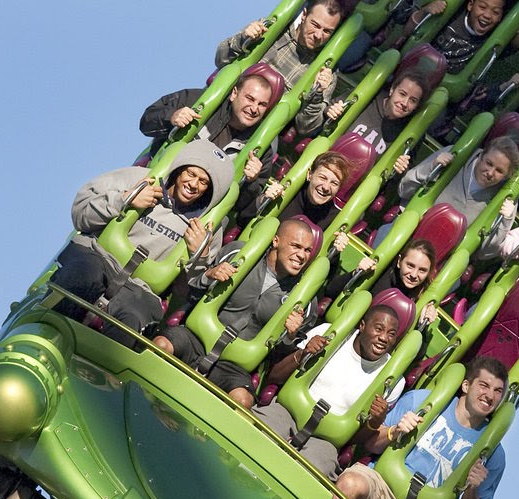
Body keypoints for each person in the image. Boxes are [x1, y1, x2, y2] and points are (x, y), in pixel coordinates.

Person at [330, 355, 509, 499]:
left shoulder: (492, 454)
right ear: (466, 385)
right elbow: (370, 443)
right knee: (350, 483)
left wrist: (472, 489)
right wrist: (393, 432)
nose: (489, 395)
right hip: (382, 485)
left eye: (497, 391)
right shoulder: (423, 401)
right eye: (484, 385)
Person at [50, 141, 233, 344]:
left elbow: (183, 291)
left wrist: (200, 255)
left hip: (141, 288)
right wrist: (124, 200)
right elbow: (80, 213)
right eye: (190, 174)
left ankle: (99, 369)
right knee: (81, 279)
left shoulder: (206, 227)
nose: (193, 184)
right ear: (179, 170)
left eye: (203, 182)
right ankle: (48, 332)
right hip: (98, 255)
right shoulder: (139, 178)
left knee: (131, 321)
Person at [152, 217, 319, 407]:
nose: (301, 255)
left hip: (234, 364)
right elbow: (191, 288)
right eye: (295, 246)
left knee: (243, 401)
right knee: (161, 344)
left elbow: (276, 359)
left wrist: (290, 335)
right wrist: (210, 274)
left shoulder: (304, 299)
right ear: (276, 241)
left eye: (307, 250)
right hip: (196, 338)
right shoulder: (240, 253)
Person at [252, 303, 407, 479]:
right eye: (378, 329)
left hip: (325, 440)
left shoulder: (393, 380)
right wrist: (304, 354)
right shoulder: (330, 332)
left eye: (391, 334)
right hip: (287, 411)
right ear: (362, 326)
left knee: (309, 474)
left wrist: (374, 421)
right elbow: (275, 376)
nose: (384, 338)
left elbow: (355, 439)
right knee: (257, 434)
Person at [138, 69, 279, 207]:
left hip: (197, 212)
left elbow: (242, 211)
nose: (254, 108)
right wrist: (171, 117)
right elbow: (146, 122)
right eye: (250, 98)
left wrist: (251, 182)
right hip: (156, 182)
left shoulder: (261, 149)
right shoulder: (198, 101)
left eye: (262, 104)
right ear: (234, 93)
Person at [216, 0, 347, 136]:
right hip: (226, 108)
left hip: (261, 132)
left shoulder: (325, 70)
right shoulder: (272, 30)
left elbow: (306, 128)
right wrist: (243, 39)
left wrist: (317, 93)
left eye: (327, 31)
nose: (318, 35)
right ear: (304, 15)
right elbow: (221, 59)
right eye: (315, 25)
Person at [396, 135, 519, 255]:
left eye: (499, 171)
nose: (490, 173)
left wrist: (505, 221)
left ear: (506, 175)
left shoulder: (505, 197)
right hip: (410, 229)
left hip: (446, 256)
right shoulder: (455, 156)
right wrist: (432, 167)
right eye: (489, 163)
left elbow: (485, 253)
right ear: (481, 155)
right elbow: (404, 190)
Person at [326, 72, 429, 172]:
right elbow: (323, 116)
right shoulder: (367, 98)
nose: (405, 103)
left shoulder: (410, 133)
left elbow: (398, 182)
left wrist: (400, 169)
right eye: (402, 94)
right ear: (392, 90)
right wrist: (332, 111)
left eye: (413, 100)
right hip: (327, 160)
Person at [238, 151, 352, 235]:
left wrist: (335, 251)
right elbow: (243, 219)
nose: (326, 187)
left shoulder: (334, 217)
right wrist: (264, 199)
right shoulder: (287, 193)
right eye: (322, 177)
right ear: (309, 175)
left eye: (334, 183)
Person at [324, 238, 439, 318]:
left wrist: (423, 324)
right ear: (399, 261)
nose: (414, 275)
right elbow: (330, 290)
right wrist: (356, 273)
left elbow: (419, 352)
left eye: (422, 270)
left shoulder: (422, 298)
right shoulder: (379, 273)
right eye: (410, 265)